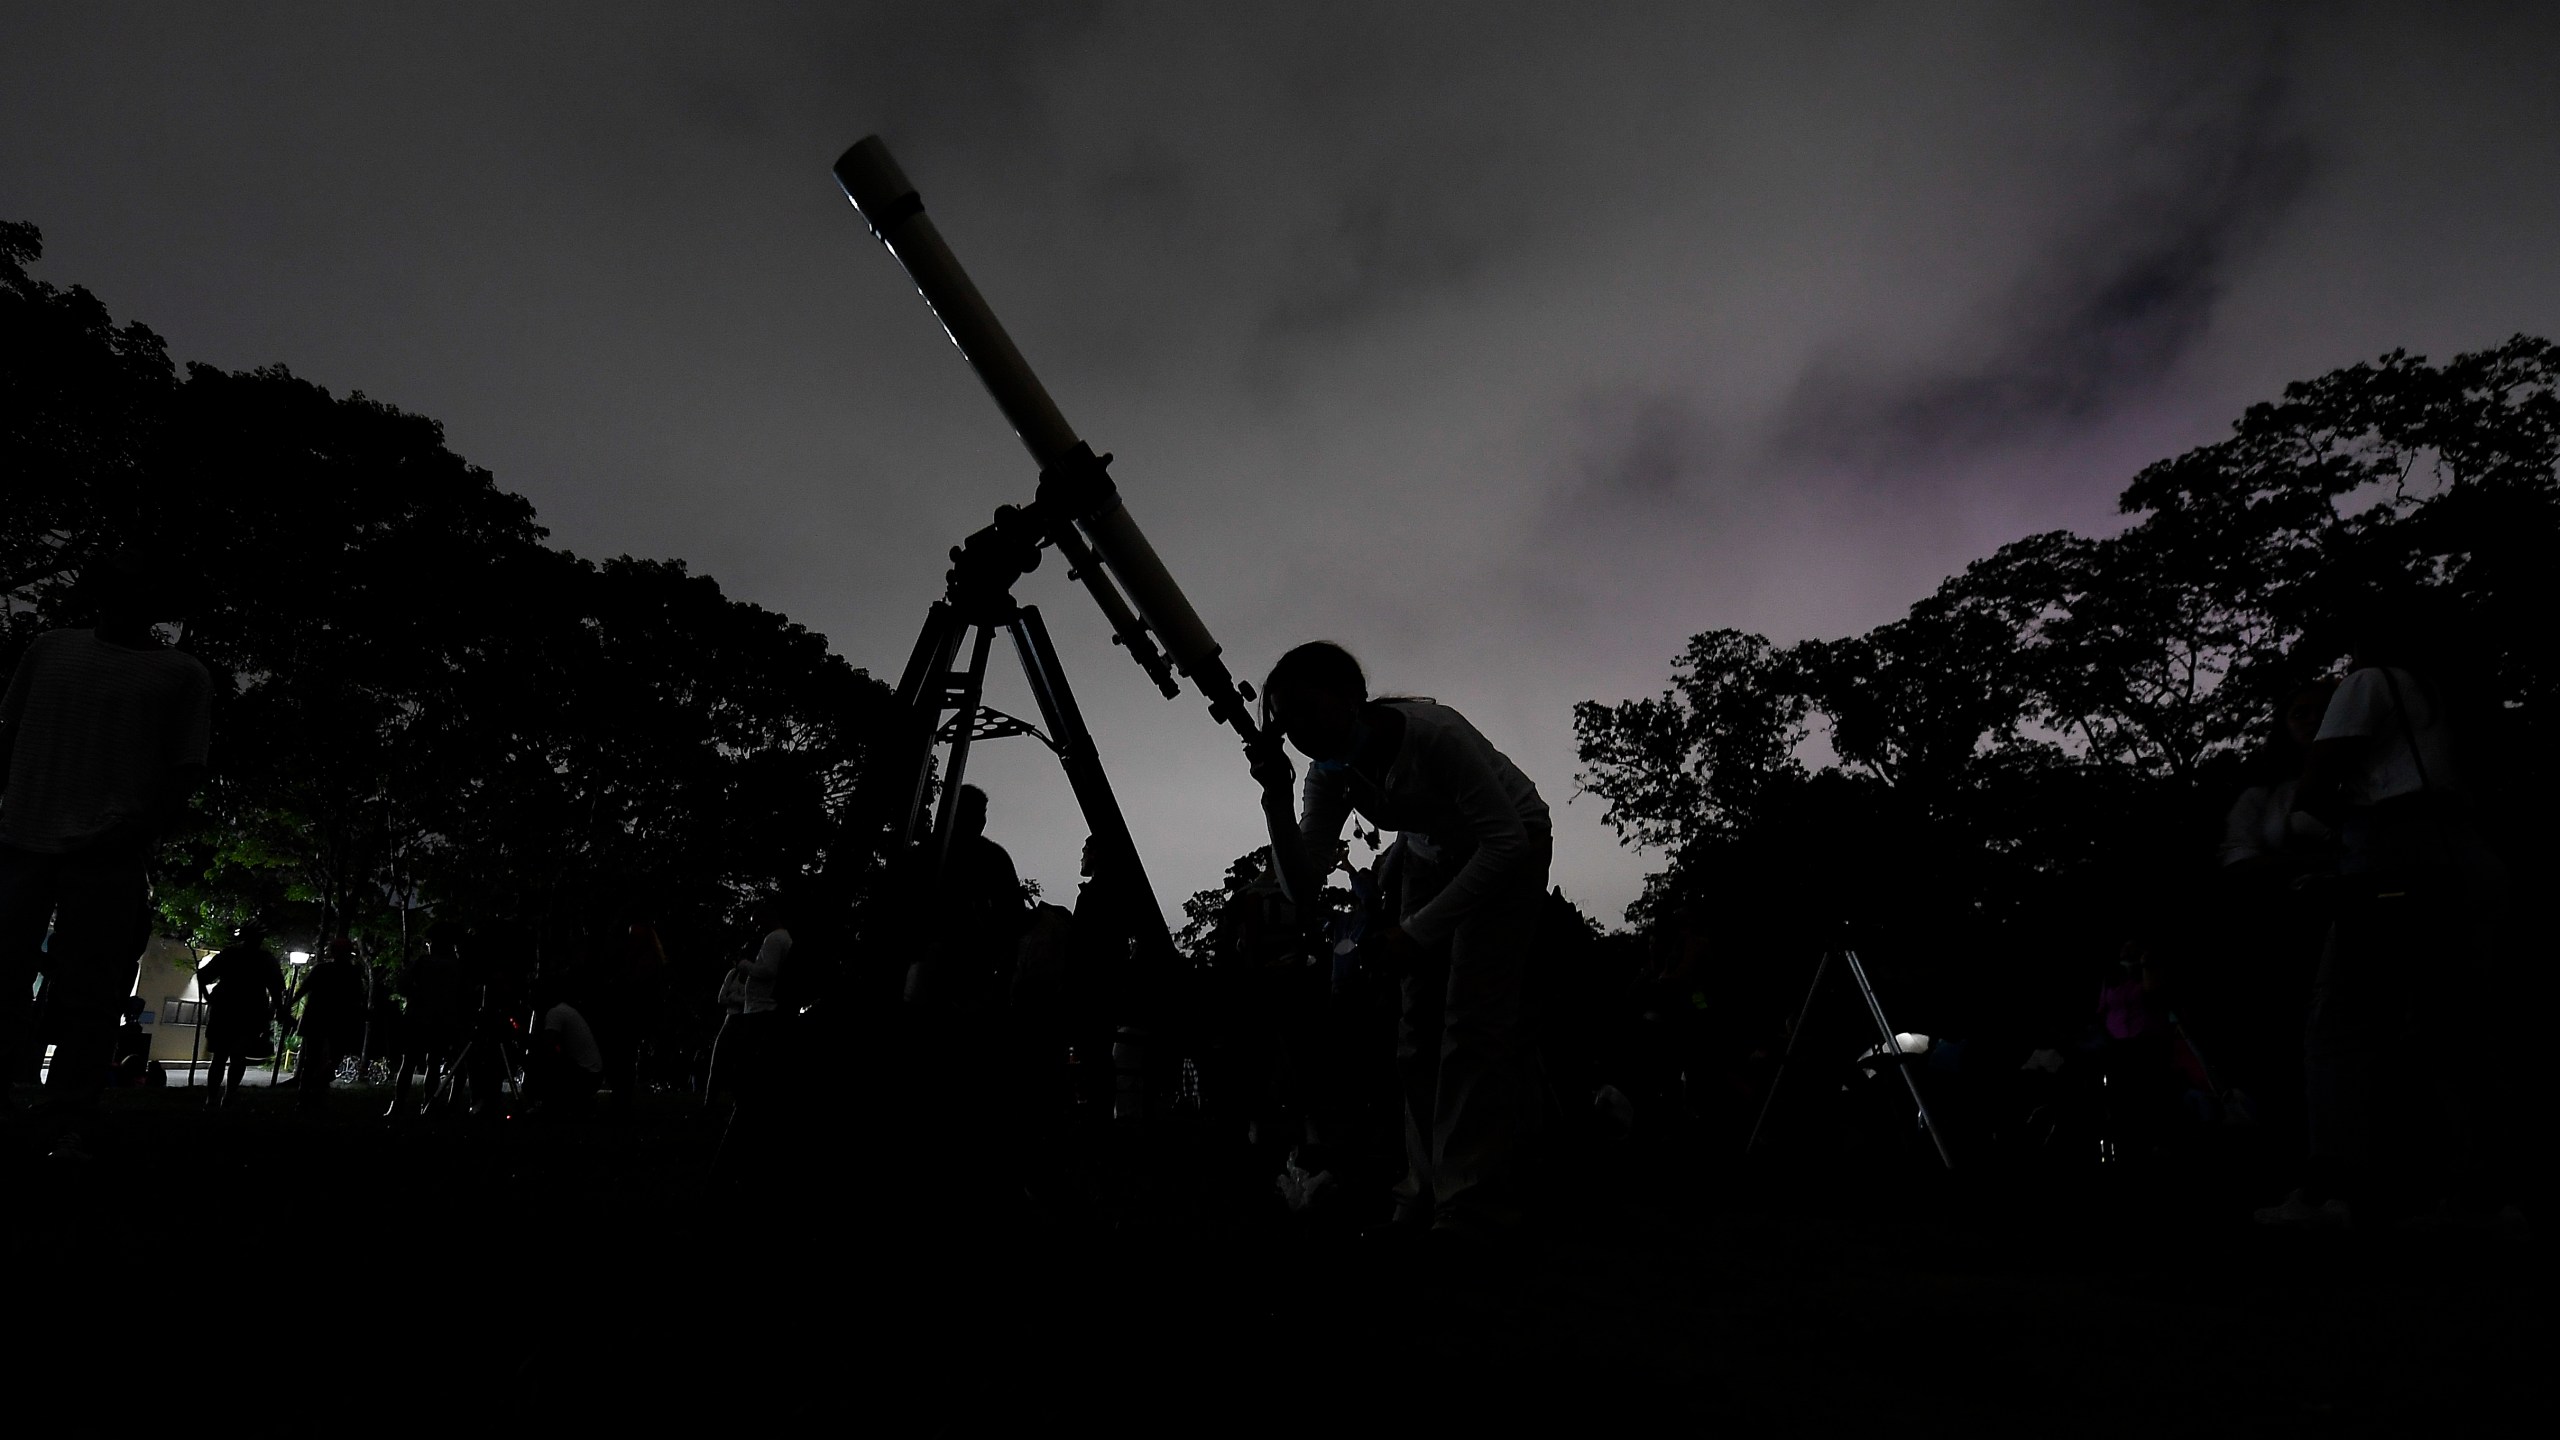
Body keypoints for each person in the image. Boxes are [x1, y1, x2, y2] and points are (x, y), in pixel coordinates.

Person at [1255, 641, 1552, 1244]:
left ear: (1352, 698)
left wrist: (1416, 933)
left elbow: (1505, 844)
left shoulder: (1434, 736)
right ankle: (1420, 1194)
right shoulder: (1329, 774)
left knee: (1472, 1027)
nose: (1301, 732)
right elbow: (1303, 882)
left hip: (1509, 845)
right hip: (1426, 854)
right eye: (1288, 722)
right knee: (1415, 1036)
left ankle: (1471, 1205)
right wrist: (1275, 798)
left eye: (1310, 710)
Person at [2259, 604, 2511, 1230]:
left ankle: (2329, 1192)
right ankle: (2485, 1194)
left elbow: (2317, 787)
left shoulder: (2371, 683)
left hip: (2394, 853)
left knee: (2338, 1022)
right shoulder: (2443, 700)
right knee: (2450, 1025)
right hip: (2462, 855)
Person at [0, 550, 211, 1127]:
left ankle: (68, 1112)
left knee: (91, 988)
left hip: (108, 847)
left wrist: (140, 830)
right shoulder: (50, 649)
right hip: (23, 834)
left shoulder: (181, 674)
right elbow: (11, 730)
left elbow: (184, 768)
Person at [198, 928, 288, 1110]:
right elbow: (277, 989)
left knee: (227, 1056)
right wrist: (276, 1010)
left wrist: (209, 997)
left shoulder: (233, 954)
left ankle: (219, 1097)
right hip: (244, 1010)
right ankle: (219, 1097)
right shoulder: (261, 958)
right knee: (231, 1056)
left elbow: (203, 976)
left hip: (236, 1009)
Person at [291, 938, 367, 1111]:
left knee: (315, 1060)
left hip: (323, 1018)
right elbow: (357, 998)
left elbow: (303, 989)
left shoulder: (326, 969)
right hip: (335, 1020)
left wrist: (288, 1005)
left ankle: (307, 1096)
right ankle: (312, 1095)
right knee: (326, 1059)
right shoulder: (350, 972)